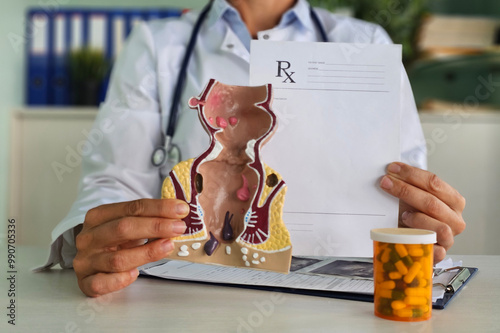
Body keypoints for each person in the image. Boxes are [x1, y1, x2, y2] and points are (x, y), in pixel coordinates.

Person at [43, 0, 465, 297]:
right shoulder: (157, 44)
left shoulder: (366, 43)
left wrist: (418, 217)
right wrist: (96, 235)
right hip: (185, 301)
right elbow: (112, 182)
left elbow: (403, 189)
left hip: (337, 304)